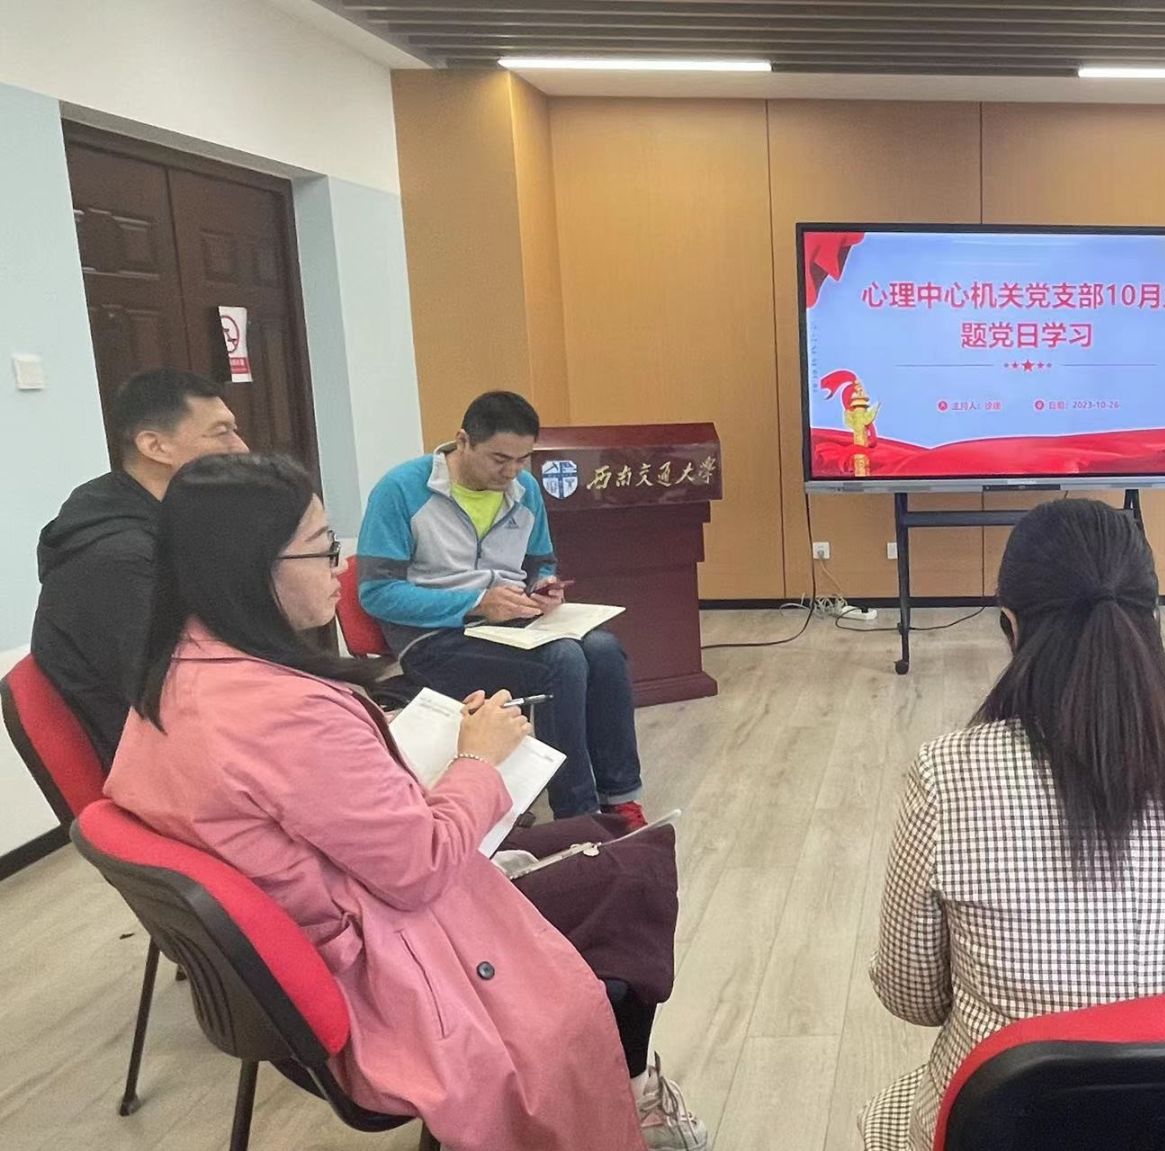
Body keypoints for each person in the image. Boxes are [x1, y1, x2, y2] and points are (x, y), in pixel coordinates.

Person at [103, 454, 705, 1151]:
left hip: (327, 927)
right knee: (634, 867)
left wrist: (383, 752)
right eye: (323, 549)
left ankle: (625, 1085)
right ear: (252, 567)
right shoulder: (288, 711)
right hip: (386, 958)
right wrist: (477, 758)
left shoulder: (176, 672)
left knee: (600, 831)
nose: (338, 572)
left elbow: (297, 798)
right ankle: (631, 1097)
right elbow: (419, 867)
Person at [861, 498, 1165, 1151]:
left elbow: (911, 995)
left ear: (1010, 623)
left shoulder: (947, 775)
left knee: (889, 1108)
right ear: (1153, 615)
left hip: (1008, 1129)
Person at [357, 391, 646, 825]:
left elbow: (541, 562)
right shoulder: (400, 490)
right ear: (463, 441)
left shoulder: (525, 490)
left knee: (603, 650)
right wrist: (474, 603)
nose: (511, 472)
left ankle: (620, 796)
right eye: (499, 459)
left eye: (523, 460)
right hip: (433, 640)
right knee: (563, 660)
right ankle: (577, 815)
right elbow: (377, 593)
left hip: (510, 627)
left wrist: (543, 587)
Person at [30, 368, 248, 762]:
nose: (241, 448)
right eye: (221, 433)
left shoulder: (163, 521)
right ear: (155, 446)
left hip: (195, 736)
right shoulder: (117, 560)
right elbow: (178, 698)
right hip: (165, 763)